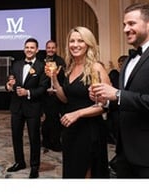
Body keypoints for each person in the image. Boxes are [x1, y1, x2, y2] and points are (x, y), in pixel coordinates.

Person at [91, 3, 149, 178]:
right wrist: (107, 100)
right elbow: (123, 100)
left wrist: (118, 94)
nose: (125, 29)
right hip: (123, 151)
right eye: (124, 25)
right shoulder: (129, 59)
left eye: (131, 24)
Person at [46, 26, 111, 178]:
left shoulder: (96, 67)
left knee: (86, 173)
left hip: (89, 130)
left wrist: (78, 113)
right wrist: (54, 80)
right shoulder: (70, 67)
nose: (75, 45)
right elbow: (65, 99)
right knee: (72, 172)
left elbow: (105, 105)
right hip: (71, 129)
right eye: (72, 41)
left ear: (88, 44)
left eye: (80, 41)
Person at [5, 38, 49, 178]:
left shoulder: (42, 66)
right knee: (16, 136)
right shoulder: (17, 64)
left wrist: (28, 92)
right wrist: (9, 86)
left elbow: (43, 88)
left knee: (34, 138)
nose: (29, 49)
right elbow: (12, 82)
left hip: (33, 107)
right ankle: (19, 162)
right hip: (17, 106)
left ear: (37, 50)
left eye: (32, 47)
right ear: (24, 49)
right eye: (27, 47)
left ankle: (34, 166)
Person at [41, 39, 66, 153]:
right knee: (47, 118)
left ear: (56, 49)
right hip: (44, 94)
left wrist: (55, 88)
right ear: (46, 49)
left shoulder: (60, 61)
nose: (50, 50)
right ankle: (46, 140)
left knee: (55, 118)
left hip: (56, 95)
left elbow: (62, 78)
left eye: (53, 48)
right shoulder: (41, 61)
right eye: (48, 48)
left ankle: (55, 142)